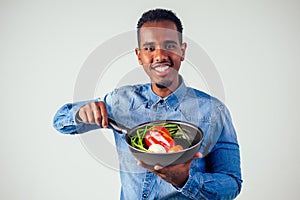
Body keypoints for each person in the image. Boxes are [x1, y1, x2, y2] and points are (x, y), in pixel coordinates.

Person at [53, 8, 242, 200]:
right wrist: (79, 114)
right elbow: (60, 121)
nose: (159, 56)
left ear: (182, 51)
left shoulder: (213, 112)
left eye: (169, 45)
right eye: (150, 48)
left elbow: (232, 183)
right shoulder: (120, 101)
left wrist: (185, 180)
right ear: (139, 55)